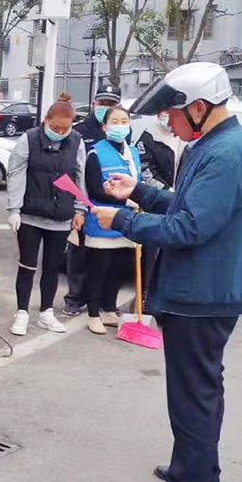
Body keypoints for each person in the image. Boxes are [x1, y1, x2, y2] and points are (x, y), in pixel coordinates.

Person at [91, 62, 242, 482]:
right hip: (203, 290)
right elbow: (185, 205)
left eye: (172, 114)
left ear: (198, 107)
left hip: (201, 294)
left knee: (192, 398)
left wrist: (123, 220)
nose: (168, 123)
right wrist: (138, 192)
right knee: (202, 391)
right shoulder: (214, 145)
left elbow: (190, 226)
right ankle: (197, 474)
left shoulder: (225, 153)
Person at [6, 93, 86, 337]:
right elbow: (16, 173)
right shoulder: (29, 139)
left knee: (51, 267)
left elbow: (80, 176)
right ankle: (22, 312)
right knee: (27, 266)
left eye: (65, 128)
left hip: (61, 216)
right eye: (55, 127)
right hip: (30, 215)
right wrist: (14, 209)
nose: (60, 132)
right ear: (46, 120)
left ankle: (46, 312)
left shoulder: (77, 141)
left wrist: (80, 209)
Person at [63, 83, 123, 318]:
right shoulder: (79, 131)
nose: (105, 107)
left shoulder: (121, 133)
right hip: (83, 199)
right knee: (79, 251)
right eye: (102, 103)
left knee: (108, 257)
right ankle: (75, 298)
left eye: (111, 103)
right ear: (93, 104)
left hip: (110, 202)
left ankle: (103, 302)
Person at [83, 105, 142, 336]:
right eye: (115, 122)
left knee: (117, 269)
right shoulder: (95, 153)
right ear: (105, 127)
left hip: (126, 222)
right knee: (99, 270)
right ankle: (93, 314)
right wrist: (128, 200)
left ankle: (109, 309)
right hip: (103, 221)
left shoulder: (133, 153)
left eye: (124, 121)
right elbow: (95, 190)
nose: (120, 126)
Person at [136, 112, 185, 288]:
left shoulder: (186, 138)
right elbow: (146, 171)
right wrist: (168, 192)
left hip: (182, 203)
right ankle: (148, 291)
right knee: (154, 251)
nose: (169, 117)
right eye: (166, 112)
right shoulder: (149, 138)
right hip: (158, 201)